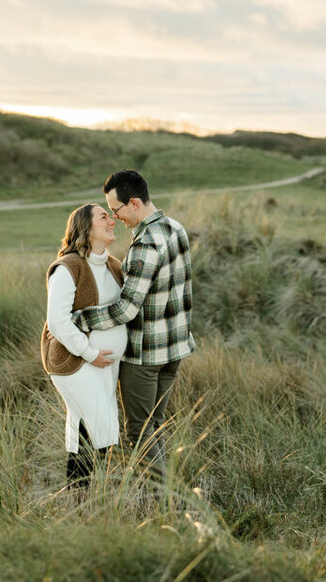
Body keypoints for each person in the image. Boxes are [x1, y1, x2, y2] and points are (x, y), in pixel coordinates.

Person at [72, 169, 194, 480]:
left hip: (145, 356)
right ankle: (167, 494)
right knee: (155, 424)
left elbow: (126, 309)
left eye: (116, 210)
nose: (114, 218)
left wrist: (80, 319)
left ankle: (161, 500)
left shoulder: (146, 244)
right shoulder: (175, 228)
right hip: (175, 350)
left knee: (139, 430)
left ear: (134, 203)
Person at [45, 203, 127, 490]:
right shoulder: (68, 268)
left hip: (105, 366)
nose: (112, 220)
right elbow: (57, 321)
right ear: (86, 227)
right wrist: (90, 353)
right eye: (103, 216)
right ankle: (85, 498)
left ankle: (82, 501)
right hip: (76, 363)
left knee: (90, 429)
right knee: (96, 426)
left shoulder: (114, 266)